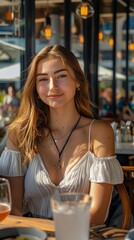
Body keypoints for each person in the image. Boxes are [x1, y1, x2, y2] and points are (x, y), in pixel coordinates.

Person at [0, 45, 123, 226]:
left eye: (61, 76)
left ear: (78, 81)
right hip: (33, 235)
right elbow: (14, 209)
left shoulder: (99, 133)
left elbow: (96, 215)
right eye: (43, 79)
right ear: (36, 88)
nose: (52, 86)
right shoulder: (19, 134)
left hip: (82, 235)